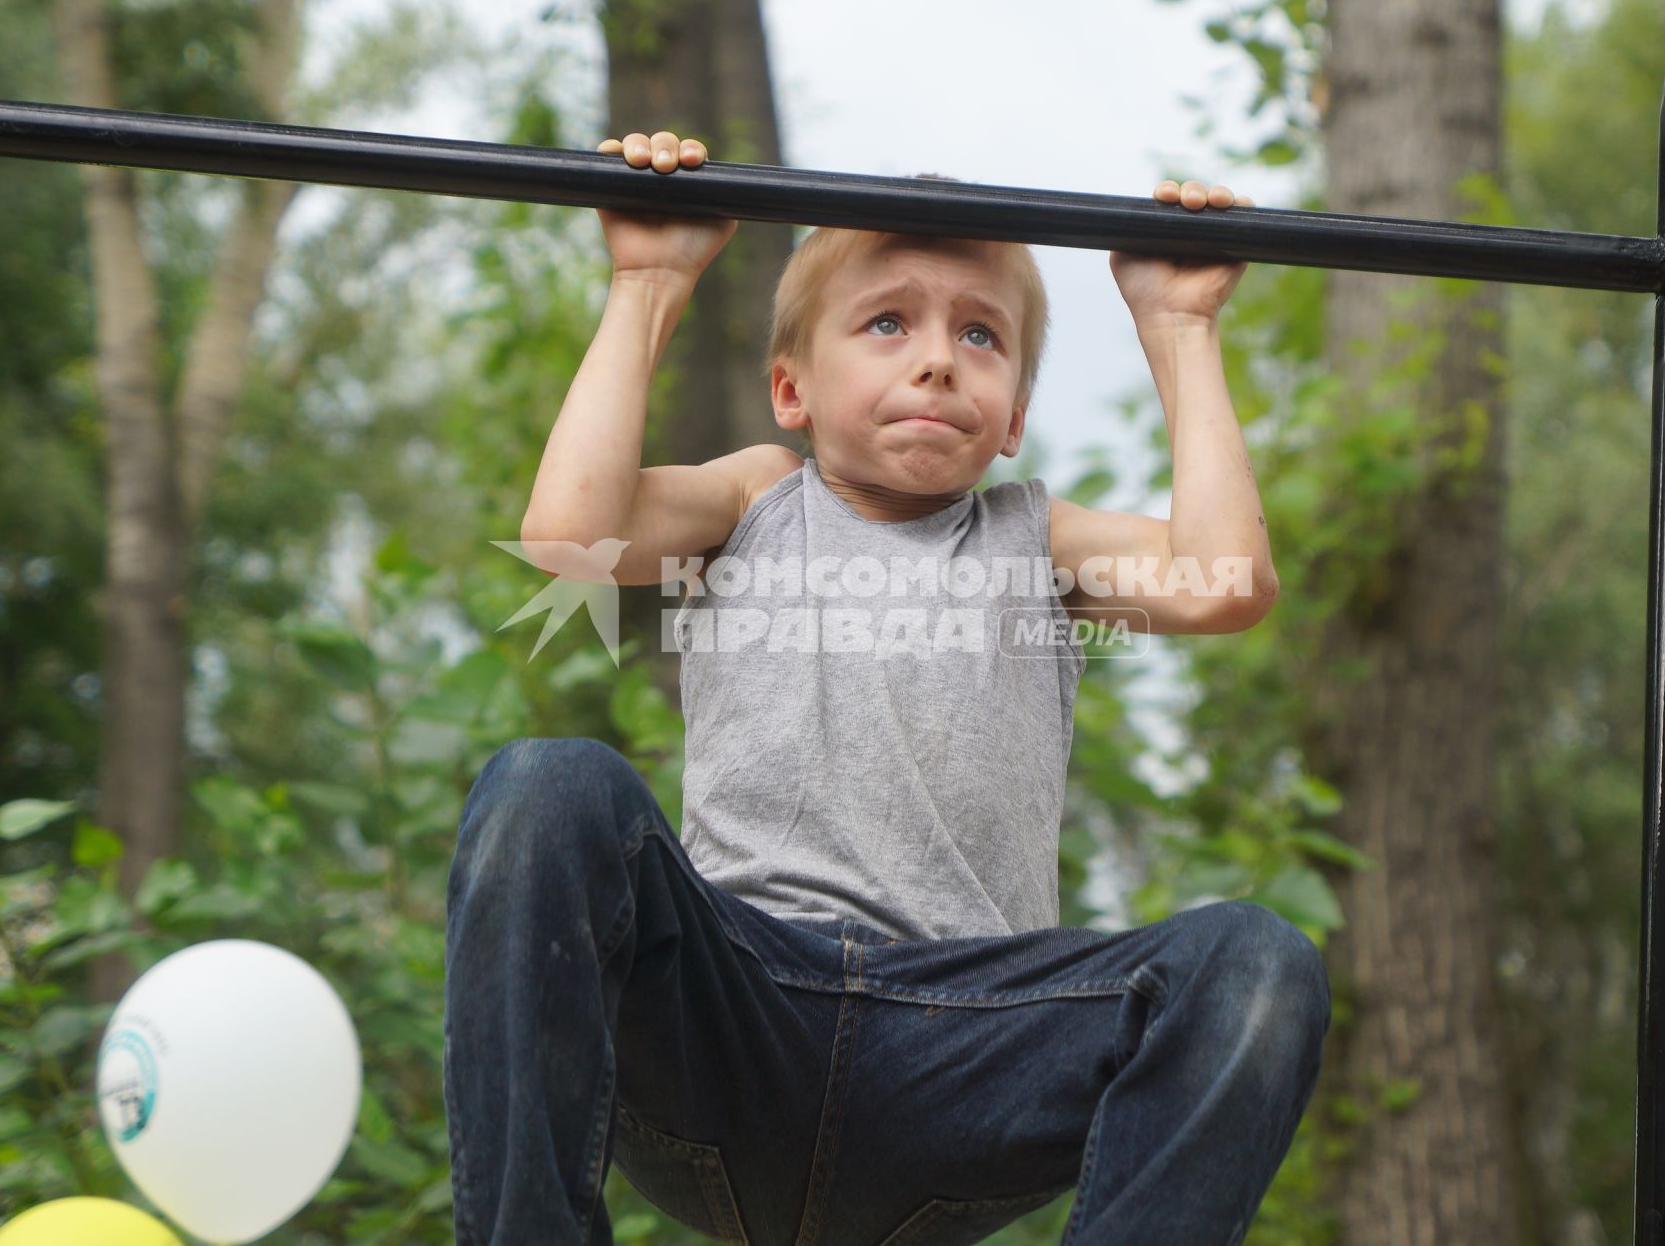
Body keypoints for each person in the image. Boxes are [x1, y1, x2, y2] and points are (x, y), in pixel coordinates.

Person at [443, 128, 1330, 1246]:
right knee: (546, 786)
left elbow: (1227, 581)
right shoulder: (756, 499)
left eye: (979, 333)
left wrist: (1180, 324)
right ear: (791, 387)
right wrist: (648, 281)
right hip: (737, 1026)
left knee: (1256, 962)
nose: (937, 357)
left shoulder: (1035, 537)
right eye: (885, 322)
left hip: (967, 1054)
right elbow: (571, 530)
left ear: (1012, 418)